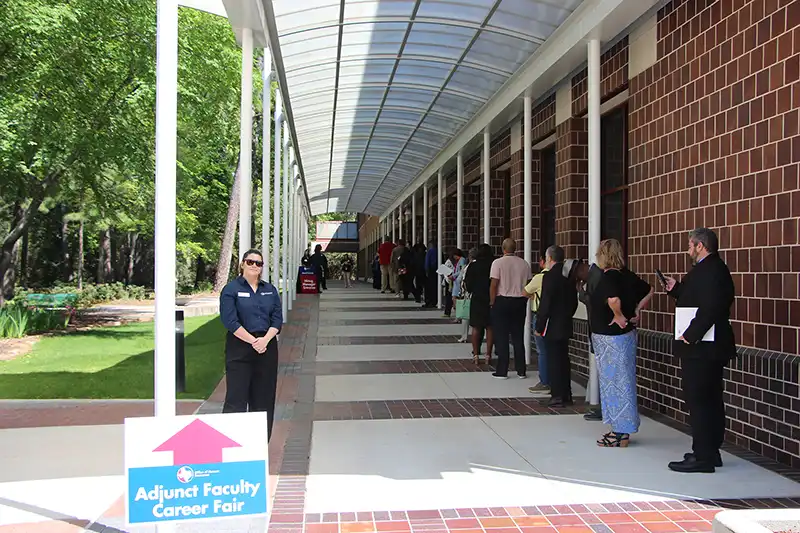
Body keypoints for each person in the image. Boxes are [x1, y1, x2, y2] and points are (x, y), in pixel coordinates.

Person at [664, 228, 736, 473]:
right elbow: (695, 298)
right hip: (703, 345)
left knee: (701, 399)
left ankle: (703, 456)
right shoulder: (707, 270)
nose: (688, 250)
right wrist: (676, 289)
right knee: (709, 398)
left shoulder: (713, 270)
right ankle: (709, 450)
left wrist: (690, 335)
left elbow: (711, 307)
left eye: (690, 245)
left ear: (701, 246)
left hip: (703, 347)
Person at [589, 239, 653, 448]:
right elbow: (649, 290)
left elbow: (613, 299)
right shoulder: (627, 276)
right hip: (625, 336)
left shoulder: (609, 276)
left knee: (613, 383)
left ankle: (620, 432)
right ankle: (621, 428)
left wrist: (618, 314)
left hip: (610, 337)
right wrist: (635, 311)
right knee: (624, 380)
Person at [219, 249, 283, 440]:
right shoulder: (231, 290)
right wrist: (253, 341)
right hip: (240, 347)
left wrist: (265, 340)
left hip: (267, 347)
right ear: (243, 264)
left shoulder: (270, 290)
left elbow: (277, 319)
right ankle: (232, 445)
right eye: (250, 262)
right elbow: (230, 321)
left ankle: (260, 445)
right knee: (236, 399)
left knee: (263, 399)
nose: (254, 266)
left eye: (258, 263)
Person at [535, 245, 578, 406]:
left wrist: (539, 326)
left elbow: (545, 303)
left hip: (551, 324)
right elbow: (573, 300)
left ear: (550, 259)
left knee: (553, 360)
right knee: (564, 359)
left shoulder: (549, 276)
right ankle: (566, 393)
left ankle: (557, 395)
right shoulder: (568, 275)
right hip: (565, 322)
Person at [489, 238, 531, 379]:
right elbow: (528, 284)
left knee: (501, 336)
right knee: (518, 336)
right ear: (516, 248)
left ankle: (502, 370)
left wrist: (492, 301)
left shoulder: (497, 263)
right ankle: (521, 370)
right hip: (519, 301)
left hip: (502, 301)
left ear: (503, 249)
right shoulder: (524, 264)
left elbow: (494, 284)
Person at [574, 260, 605, 421]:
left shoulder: (596, 277)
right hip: (596, 327)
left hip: (600, 328)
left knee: (603, 368)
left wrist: (582, 294)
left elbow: (595, 302)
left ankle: (601, 404)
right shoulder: (594, 276)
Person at [524, 255, 549, 393]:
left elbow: (525, 291)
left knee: (542, 351)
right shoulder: (561, 277)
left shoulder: (539, 278)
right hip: (556, 318)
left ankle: (545, 381)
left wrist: (534, 296)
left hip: (540, 315)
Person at [465, 243, 494, 365]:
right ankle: (488, 355)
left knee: (476, 327)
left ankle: (476, 355)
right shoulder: (493, 265)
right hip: (491, 298)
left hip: (477, 298)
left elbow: (468, 284)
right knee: (490, 327)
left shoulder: (473, 266)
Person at [424, 241, 438, 308]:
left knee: (429, 288)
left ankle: (429, 301)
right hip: (437, 270)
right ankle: (434, 301)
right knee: (435, 287)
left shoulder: (429, 252)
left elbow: (427, 262)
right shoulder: (439, 251)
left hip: (430, 271)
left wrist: (426, 270)